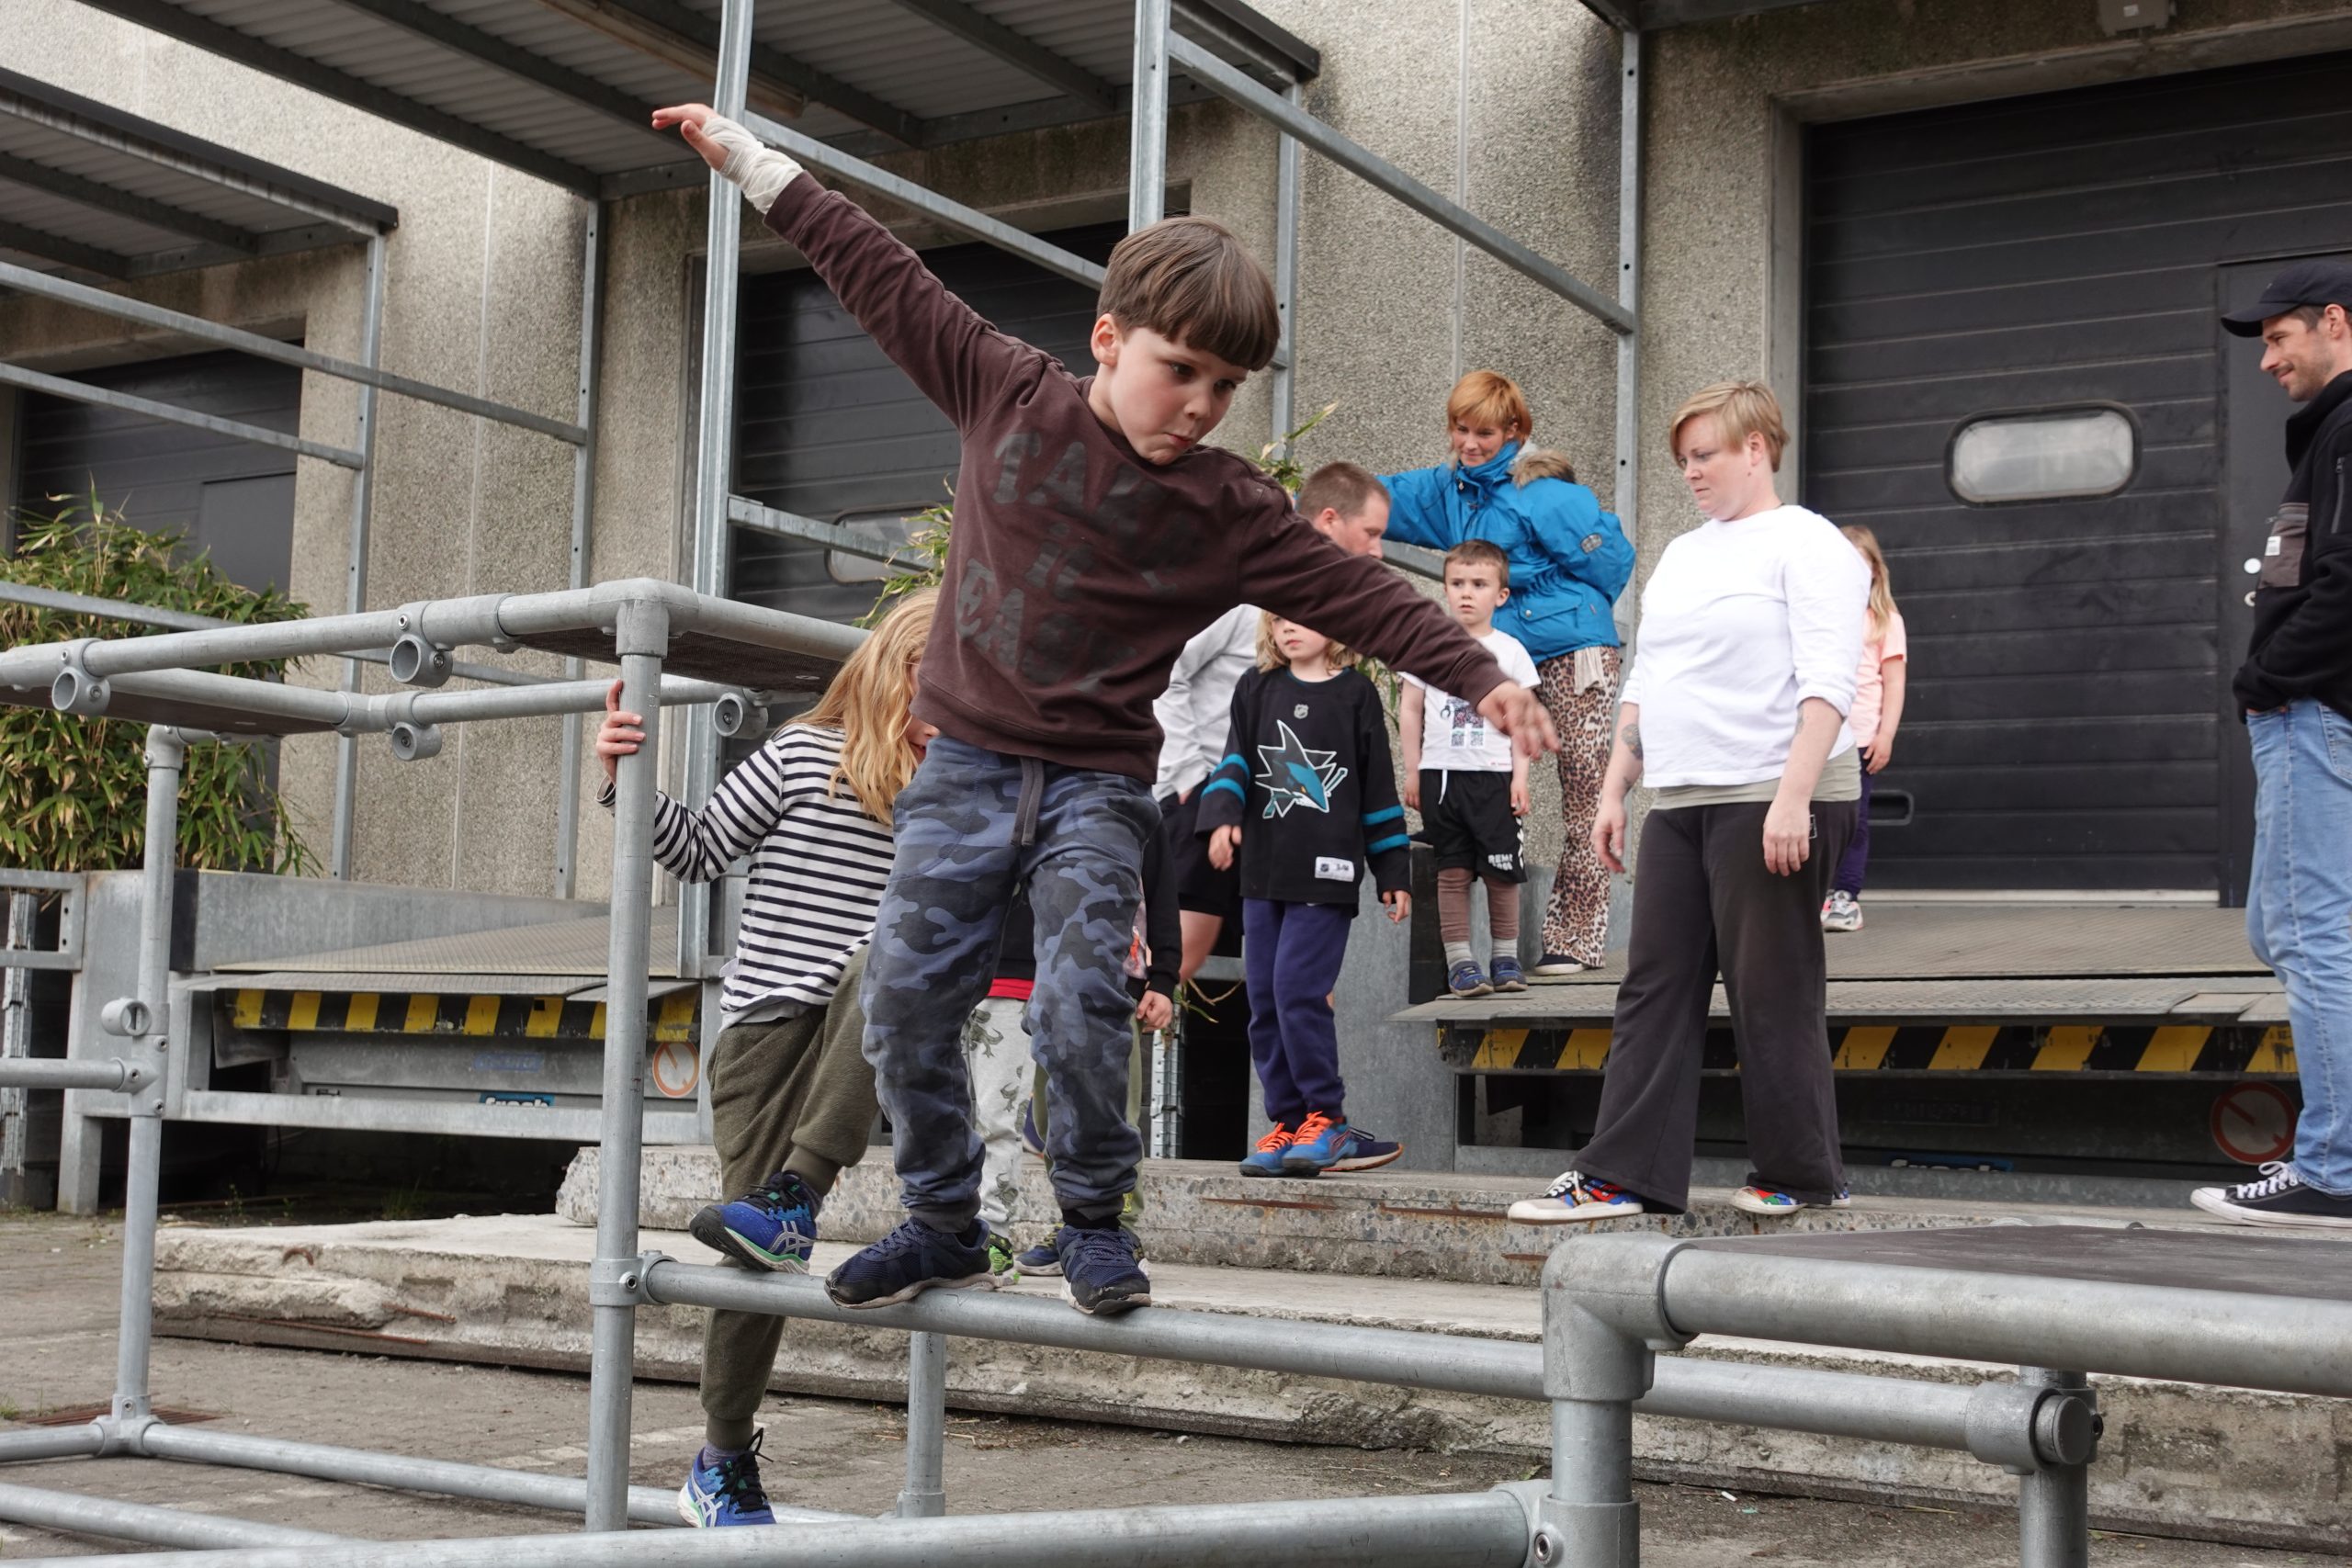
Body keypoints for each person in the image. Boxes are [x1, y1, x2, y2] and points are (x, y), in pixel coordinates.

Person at [651, 103, 1554, 1317]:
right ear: (1107, 337)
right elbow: (877, 271)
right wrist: (752, 163)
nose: (1198, 403)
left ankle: (1086, 1217)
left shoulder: (1231, 508)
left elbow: (1355, 590)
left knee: (1084, 1003)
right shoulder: (1001, 389)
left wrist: (1483, 674)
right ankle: (939, 1217)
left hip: (1094, 789)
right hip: (963, 766)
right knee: (908, 999)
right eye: (1177, 370)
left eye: (1224, 386)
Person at [594, 591, 936, 1528]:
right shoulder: (795, 757)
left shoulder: (945, 787)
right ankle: (721, 1459)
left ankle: (800, 1190)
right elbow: (697, 851)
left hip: (863, 1036)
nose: (943, 698)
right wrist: (630, 773)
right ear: (889, 669)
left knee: (895, 955)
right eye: (929, 674)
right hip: (764, 1035)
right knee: (753, 1269)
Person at [1508, 381, 1867, 1225]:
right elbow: (1650, 676)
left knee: (1769, 987)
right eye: (1683, 460)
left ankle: (1803, 1172)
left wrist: (1792, 798)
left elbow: (1828, 683)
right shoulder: (1684, 553)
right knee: (1654, 983)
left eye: (1705, 455)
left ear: (1756, 449)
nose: (1691, 472)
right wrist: (1612, 788)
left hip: (1774, 790)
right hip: (1685, 792)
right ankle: (1624, 1174)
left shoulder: (1810, 546)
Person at [2192, 262, 2352, 1230]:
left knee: (2308, 936)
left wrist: (2263, 680)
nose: (2266, 358)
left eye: (2277, 334)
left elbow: (2345, 582)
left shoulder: (2347, 429)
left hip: (2311, 711)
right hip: (2314, 712)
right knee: (2288, 931)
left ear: (2334, 321)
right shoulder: (2332, 433)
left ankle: (2333, 1171)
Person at [1381, 372, 1634, 980]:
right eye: (1462, 430)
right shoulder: (1448, 491)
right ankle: (1483, 941)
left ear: (1514, 431)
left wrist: (1568, 614)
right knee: (1490, 775)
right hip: (1502, 658)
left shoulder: (1543, 493)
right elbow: (1375, 498)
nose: (1471, 443)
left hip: (1574, 649)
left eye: (1485, 432)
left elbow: (1612, 559)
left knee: (1584, 787)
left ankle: (1574, 938)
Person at [1151, 461, 1394, 987]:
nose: (1377, 550)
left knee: (1290, 980)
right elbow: (1167, 668)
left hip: (1283, 822)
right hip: (1208, 804)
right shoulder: (1248, 584)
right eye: (1371, 533)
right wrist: (1194, 778)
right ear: (1329, 520)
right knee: (1168, 967)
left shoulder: (1331, 604)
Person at [1199, 613, 1412, 1178]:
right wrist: (1221, 819)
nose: (1289, 628)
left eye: (1302, 617)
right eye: (1278, 619)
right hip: (1262, 875)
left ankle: (1329, 1119)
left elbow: (1377, 785)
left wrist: (1392, 868)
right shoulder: (1257, 686)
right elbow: (1236, 759)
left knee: (1298, 991)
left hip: (1328, 873)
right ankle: (1290, 1123)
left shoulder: (1356, 694)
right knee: (1265, 998)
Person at [965, 838, 1178, 1276]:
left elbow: (1161, 892)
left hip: (1104, 976)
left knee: (1105, 1110)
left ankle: (1115, 1226)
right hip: (1022, 968)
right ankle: (1077, 1225)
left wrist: (1163, 979)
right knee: (1043, 1119)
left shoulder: (1130, 809)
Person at [1399, 539, 1541, 996]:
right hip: (1442, 776)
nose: (1466, 593)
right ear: (1444, 588)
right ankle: (1462, 965)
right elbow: (1410, 710)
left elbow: (1521, 718)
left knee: (1503, 871)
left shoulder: (1512, 651)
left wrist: (1520, 777)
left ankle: (1505, 958)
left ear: (1500, 594)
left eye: (1479, 584)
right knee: (1453, 871)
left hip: (1495, 777)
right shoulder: (1426, 644)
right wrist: (1413, 770)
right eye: (1457, 583)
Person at [1821, 524, 1905, 934]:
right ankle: (1814, 891)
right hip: (1817, 738)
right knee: (1815, 816)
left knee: (1854, 820)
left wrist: (1885, 734)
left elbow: (1894, 683)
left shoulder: (1884, 620)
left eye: (1860, 563)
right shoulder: (1820, 618)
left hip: (1860, 739)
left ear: (1874, 570)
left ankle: (1845, 896)